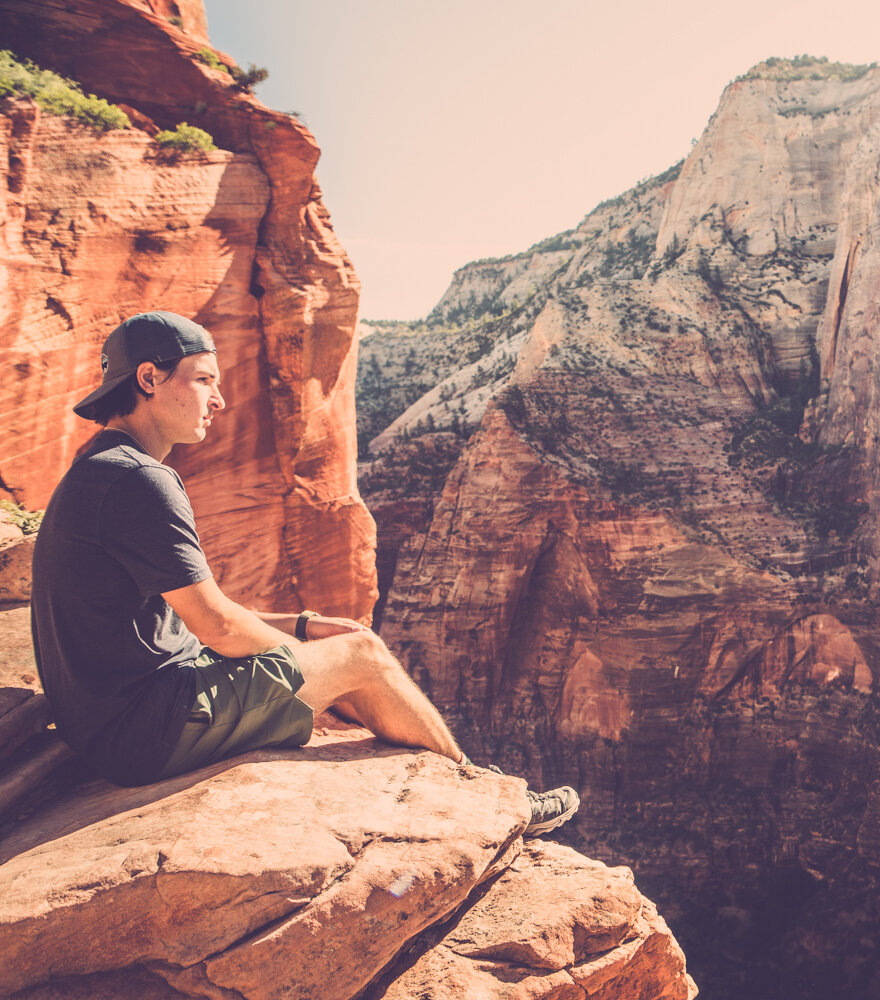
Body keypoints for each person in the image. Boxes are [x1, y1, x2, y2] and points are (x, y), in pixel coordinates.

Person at [30, 311, 578, 834]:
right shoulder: (139, 480)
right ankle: (488, 800)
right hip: (147, 729)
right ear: (149, 378)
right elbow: (216, 627)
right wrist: (305, 658)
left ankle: (466, 784)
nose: (219, 400)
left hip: (116, 721)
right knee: (361, 657)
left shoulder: (100, 467)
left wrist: (302, 625)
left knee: (347, 643)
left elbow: (198, 607)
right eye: (203, 380)